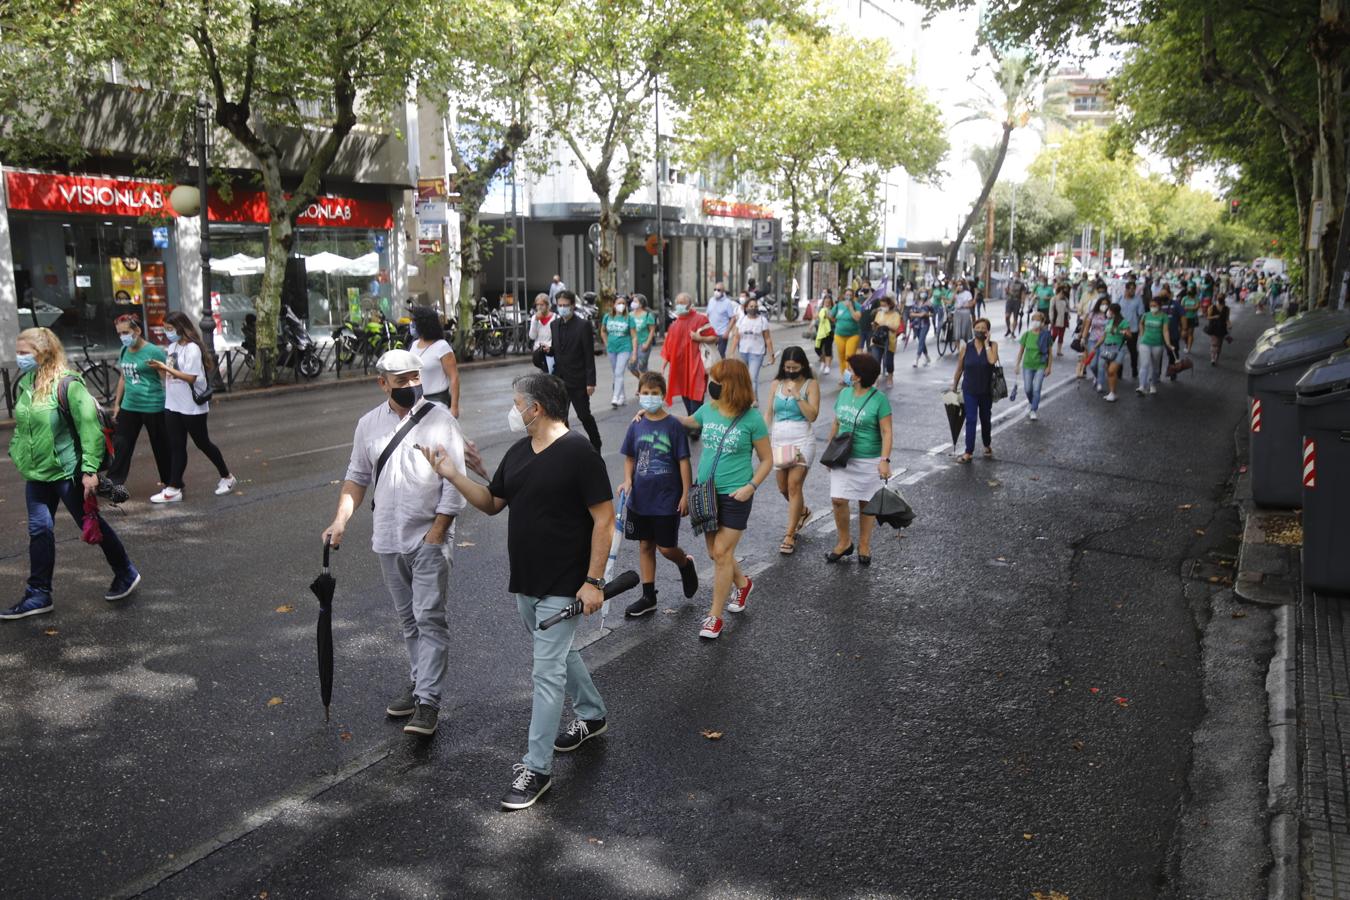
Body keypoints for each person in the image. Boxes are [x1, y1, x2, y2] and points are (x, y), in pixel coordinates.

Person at [421, 372, 614, 811]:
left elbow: (604, 519)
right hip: (525, 580)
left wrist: (593, 581)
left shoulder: (580, 453)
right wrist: (451, 473)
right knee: (560, 654)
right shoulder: (520, 452)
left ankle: (537, 769)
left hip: (564, 583)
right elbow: (492, 503)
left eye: (517, 403)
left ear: (537, 408)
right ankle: (593, 713)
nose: (514, 410)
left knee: (545, 674)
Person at [322, 349, 465, 737]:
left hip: (428, 537)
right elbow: (356, 477)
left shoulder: (440, 419)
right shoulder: (368, 424)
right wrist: (340, 520)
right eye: (401, 381)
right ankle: (421, 684)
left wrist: (438, 533)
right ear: (382, 383)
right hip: (387, 538)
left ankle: (429, 702)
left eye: (415, 377)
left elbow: (455, 482)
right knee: (408, 620)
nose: (411, 386)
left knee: (429, 618)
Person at [4, 327, 140, 620]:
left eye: (24, 352)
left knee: (90, 524)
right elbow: (22, 425)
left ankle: (126, 572)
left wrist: (89, 470)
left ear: (43, 353)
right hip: (37, 474)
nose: (19, 358)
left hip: (66, 473)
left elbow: (89, 428)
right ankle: (39, 593)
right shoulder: (26, 382)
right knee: (39, 530)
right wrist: (17, 451)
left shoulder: (68, 384)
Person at [658, 359, 771, 640]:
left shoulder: (752, 419)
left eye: (718, 381)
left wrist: (751, 486)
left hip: (736, 494)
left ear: (732, 384)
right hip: (706, 492)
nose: (712, 385)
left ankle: (714, 616)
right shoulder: (710, 408)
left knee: (721, 553)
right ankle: (743, 584)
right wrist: (656, 413)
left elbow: (768, 460)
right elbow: (688, 421)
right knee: (715, 553)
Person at [617, 372, 699, 617]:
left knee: (665, 548)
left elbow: (684, 461)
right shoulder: (636, 424)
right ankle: (648, 595)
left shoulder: (673, 426)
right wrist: (627, 480)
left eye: (655, 393)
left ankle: (685, 563)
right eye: (645, 393)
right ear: (638, 394)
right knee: (645, 545)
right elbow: (630, 457)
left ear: (663, 396)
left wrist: (686, 493)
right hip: (640, 498)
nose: (650, 397)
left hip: (667, 498)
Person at [147, 311, 235, 502]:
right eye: (165, 329)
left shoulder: (193, 349)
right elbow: (169, 377)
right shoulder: (172, 347)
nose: (167, 333)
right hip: (172, 403)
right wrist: (161, 370)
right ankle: (174, 487)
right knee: (176, 446)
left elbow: (190, 377)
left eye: (170, 329)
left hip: (192, 406)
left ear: (181, 327)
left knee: (203, 443)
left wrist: (165, 368)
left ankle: (227, 477)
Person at [825, 353, 893, 565]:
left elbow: (887, 432)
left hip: (868, 459)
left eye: (851, 370)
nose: (847, 373)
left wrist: (884, 460)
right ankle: (844, 541)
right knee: (838, 500)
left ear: (860, 375)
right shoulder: (844, 393)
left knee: (866, 502)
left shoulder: (879, 400)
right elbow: (836, 423)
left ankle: (864, 544)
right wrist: (830, 449)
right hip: (843, 457)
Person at [764, 346, 820, 556]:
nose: (790, 371)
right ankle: (802, 512)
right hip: (780, 440)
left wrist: (798, 395)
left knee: (794, 485)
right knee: (783, 488)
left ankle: (789, 535)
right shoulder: (776, 384)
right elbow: (768, 414)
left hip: (802, 440)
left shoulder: (810, 385)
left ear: (802, 366)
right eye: (787, 367)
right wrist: (760, 439)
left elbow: (813, 415)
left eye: (794, 367)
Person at [107, 314, 170, 494]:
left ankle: (171, 483)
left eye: (126, 332)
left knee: (161, 446)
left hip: (153, 406)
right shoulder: (124, 350)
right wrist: (117, 404)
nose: (123, 337)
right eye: (120, 333)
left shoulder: (153, 351)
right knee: (121, 444)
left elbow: (165, 379)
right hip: (129, 406)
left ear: (137, 331)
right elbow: (123, 377)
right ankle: (113, 483)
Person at [548, 290, 602, 451]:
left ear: (572, 306)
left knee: (584, 415)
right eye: (560, 305)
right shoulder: (554, 325)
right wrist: (548, 350)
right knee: (560, 418)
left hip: (578, 380)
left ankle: (596, 442)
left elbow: (588, 356)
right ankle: (566, 446)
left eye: (566, 305)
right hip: (559, 380)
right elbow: (558, 349)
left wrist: (590, 382)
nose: (563, 308)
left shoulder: (583, 325)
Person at [950, 317, 999, 463]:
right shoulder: (966, 347)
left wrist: (986, 344)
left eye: (983, 328)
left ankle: (987, 444)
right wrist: (954, 386)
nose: (980, 331)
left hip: (986, 390)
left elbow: (992, 360)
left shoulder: (993, 345)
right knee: (971, 419)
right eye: (978, 328)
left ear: (987, 331)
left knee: (985, 419)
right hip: (969, 390)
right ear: (973, 329)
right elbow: (960, 368)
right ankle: (968, 452)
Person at [661, 292, 717, 416]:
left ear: (690, 304)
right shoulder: (674, 325)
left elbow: (714, 337)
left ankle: (695, 426)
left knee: (696, 396)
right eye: (678, 303)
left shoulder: (701, 319)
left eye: (683, 303)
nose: (680, 305)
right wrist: (664, 365)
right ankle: (693, 422)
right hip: (680, 367)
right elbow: (668, 347)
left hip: (697, 365)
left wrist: (700, 338)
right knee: (685, 395)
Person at [408, 307, 459, 416]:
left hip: (438, 407)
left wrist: (454, 407)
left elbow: (454, 377)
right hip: (416, 406)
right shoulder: (414, 345)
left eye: (414, 322)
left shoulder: (442, 347)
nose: (412, 325)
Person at [725, 293, 774, 403]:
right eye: (751, 306)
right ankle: (746, 397)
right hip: (743, 353)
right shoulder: (741, 321)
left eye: (755, 306)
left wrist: (771, 354)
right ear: (746, 308)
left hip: (757, 354)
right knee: (743, 378)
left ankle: (753, 401)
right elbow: (736, 338)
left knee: (752, 378)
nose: (753, 308)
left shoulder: (762, 321)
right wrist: (732, 353)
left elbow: (768, 339)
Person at [1014, 311, 1053, 420]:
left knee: (1036, 388)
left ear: (1042, 322)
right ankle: (1031, 402)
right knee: (1028, 388)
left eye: (1038, 320)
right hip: (1027, 365)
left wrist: (1049, 367)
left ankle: (1033, 409)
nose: (1035, 322)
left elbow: (1050, 353)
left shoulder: (1046, 336)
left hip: (1041, 365)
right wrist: (1017, 365)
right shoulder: (1026, 335)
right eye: (1034, 320)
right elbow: (1021, 351)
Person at [601, 297, 637, 408]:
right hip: (612, 348)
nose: (621, 305)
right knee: (616, 373)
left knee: (619, 372)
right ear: (614, 305)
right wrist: (606, 344)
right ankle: (622, 397)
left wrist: (634, 353)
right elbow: (602, 331)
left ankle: (615, 397)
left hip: (625, 348)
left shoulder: (629, 318)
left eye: (623, 303)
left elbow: (634, 336)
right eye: (619, 303)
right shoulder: (608, 316)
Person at [1136, 292, 1174, 396]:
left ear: (1159, 306)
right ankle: (1142, 386)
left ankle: (1152, 384)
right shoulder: (1146, 315)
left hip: (1158, 344)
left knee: (1155, 367)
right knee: (1144, 364)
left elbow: (1165, 331)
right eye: (1151, 306)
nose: (1152, 308)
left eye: (1155, 306)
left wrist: (1168, 343)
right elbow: (1141, 323)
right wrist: (1142, 334)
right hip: (1145, 343)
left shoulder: (1164, 316)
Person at [1091, 302, 1131, 402]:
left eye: (1109, 310)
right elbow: (1104, 336)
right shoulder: (1109, 321)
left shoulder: (1123, 322)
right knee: (1110, 372)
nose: (1107, 312)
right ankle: (1112, 392)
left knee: (1111, 370)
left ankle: (1113, 393)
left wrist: (1124, 332)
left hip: (1118, 348)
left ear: (1112, 311)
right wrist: (1096, 346)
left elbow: (1129, 335)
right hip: (1107, 348)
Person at [869, 293, 904, 386]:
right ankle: (875, 380)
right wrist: (874, 325)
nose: (882, 307)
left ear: (890, 304)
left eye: (884, 305)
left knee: (888, 361)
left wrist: (886, 326)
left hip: (889, 341)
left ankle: (890, 376)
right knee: (876, 361)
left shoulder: (896, 315)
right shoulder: (879, 313)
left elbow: (895, 328)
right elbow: (875, 325)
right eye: (881, 305)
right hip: (877, 340)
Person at [829, 289, 862, 385]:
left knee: (849, 356)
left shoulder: (857, 306)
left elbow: (857, 318)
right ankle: (844, 377)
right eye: (847, 294)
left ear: (853, 296)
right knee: (841, 356)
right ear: (844, 295)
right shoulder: (839, 305)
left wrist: (851, 308)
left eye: (850, 295)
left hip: (853, 335)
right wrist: (835, 320)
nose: (848, 296)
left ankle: (849, 378)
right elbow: (831, 315)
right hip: (839, 335)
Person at [706, 282, 740, 358]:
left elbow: (732, 318)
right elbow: (707, 315)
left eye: (719, 290)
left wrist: (727, 332)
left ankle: (723, 369)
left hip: (722, 333)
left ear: (723, 291)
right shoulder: (711, 300)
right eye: (715, 289)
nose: (716, 291)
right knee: (710, 355)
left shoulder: (727, 302)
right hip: (711, 333)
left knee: (720, 355)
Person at [1118, 281, 1144, 380]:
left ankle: (1134, 369)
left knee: (1133, 351)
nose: (1133, 291)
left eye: (1134, 289)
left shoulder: (1138, 300)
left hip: (1133, 329)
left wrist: (1142, 329)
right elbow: (1115, 312)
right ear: (1126, 289)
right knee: (1119, 350)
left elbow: (1141, 314)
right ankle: (1119, 372)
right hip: (1120, 329)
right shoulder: (1120, 299)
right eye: (1131, 289)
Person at [628, 293, 656, 375]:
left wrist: (647, 344)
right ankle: (645, 382)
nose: (633, 303)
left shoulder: (648, 315)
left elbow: (652, 330)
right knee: (631, 366)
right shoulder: (630, 315)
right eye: (633, 301)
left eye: (635, 301)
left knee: (642, 367)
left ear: (641, 304)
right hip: (632, 344)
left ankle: (644, 385)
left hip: (643, 343)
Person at [529, 293, 556, 373]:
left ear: (548, 305)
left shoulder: (555, 317)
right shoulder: (534, 318)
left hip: (550, 350)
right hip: (538, 351)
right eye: (537, 305)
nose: (539, 307)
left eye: (542, 304)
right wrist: (536, 321)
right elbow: (532, 336)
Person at [910, 289, 934, 367]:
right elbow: (911, 313)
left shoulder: (929, 303)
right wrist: (920, 315)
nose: (923, 294)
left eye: (924, 293)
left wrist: (926, 315)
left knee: (921, 340)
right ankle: (927, 357)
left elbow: (932, 313)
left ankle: (917, 358)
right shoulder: (915, 303)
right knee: (922, 341)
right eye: (921, 293)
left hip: (925, 324)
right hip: (916, 325)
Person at [1206, 293, 1231, 366]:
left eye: (1221, 298)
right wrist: (1214, 317)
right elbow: (1208, 317)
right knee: (1214, 343)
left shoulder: (1227, 309)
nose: (1220, 299)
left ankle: (1216, 357)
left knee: (1219, 344)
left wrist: (1229, 324)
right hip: (1213, 327)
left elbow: (1227, 319)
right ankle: (1212, 358)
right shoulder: (1212, 307)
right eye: (1219, 298)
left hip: (1222, 327)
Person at [814, 292, 835, 374]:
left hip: (830, 331)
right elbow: (815, 316)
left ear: (831, 302)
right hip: (820, 331)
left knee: (827, 349)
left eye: (828, 302)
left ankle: (827, 366)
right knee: (817, 348)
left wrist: (828, 316)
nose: (827, 303)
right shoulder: (820, 309)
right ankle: (823, 361)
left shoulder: (833, 309)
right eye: (826, 301)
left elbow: (834, 320)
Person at [1050, 283, 1072, 357]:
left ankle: (1059, 350)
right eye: (1062, 292)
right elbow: (1051, 310)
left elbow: (1068, 308)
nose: (1063, 294)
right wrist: (1051, 319)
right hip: (1056, 319)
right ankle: (1049, 348)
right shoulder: (1054, 299)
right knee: (1054, 334)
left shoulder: (1065, 299)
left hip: (1064, 319)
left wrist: (1068, 314)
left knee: (1061, 335)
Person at [952, 278, 976, 343]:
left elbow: (971, 304)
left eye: (960, 285)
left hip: (965, 312)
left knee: (964, 332)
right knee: (957, 333)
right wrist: (955, 292)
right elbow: (952, 301)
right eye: (957, 285)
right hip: (957, 313)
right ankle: (958, 350)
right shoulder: (956, 293)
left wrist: (964, 306)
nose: (959, 286)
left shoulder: (967, 293)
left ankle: (965, 347)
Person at [1180, 284, 1201, 353]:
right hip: (1184, 318)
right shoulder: (1185, 298)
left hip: (1192, 317)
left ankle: (1188, 348)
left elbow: (1196, 307)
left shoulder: (1196, 298)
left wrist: (1187, 308)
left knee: (1190, 333)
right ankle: (1186, 343)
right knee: (1183, 334)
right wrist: (1191, 308)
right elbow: (1182, 307)